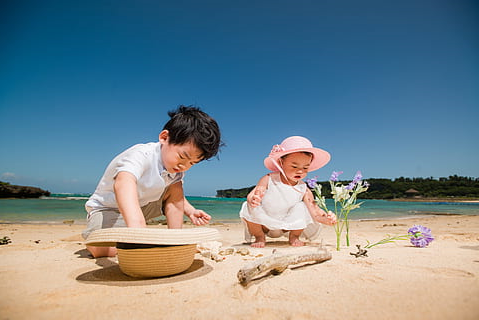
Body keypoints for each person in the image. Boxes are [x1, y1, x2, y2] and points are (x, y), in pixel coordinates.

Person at [82, 105, 223, 257]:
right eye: (182, 157)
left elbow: (173, 196)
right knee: (99, 249)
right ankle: (134, 236)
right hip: (107, 209)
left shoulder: (175, 168)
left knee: (176, 186)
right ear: (164, 138)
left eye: (192, 163)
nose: (184, 166)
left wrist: (190, 211)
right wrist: (138, 228)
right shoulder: (141, 154)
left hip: (143, 207)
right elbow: (123, 183)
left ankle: (174, 239)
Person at [239, 136, 337, 248]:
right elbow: (254, 193)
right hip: (263, 224)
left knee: (302, 206)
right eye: (294, 166)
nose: (300, 171)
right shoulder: (269, 178)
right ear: (281, 163)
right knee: (248, 206)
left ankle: (294, 236)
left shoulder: (303, 188)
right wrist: (254, 199)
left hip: (286, 226)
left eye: (305, 168)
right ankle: (259, 237)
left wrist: (326, 219)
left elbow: (314, 211)